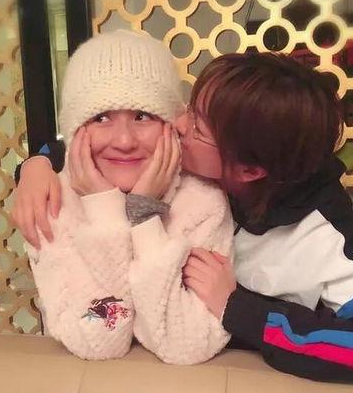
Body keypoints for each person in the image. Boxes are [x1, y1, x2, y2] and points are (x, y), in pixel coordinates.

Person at [13, 50, 353, 384]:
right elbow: (108, 139)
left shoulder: (324, 238)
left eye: (197, 127)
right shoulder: (216, 162)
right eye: (190, 109)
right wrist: (36, 164)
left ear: (250, 170)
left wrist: (238, 306)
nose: (177, 126)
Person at [13, 29, 234, 364]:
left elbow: (187, 344)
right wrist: (104, 212)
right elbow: (97, 341)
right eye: (101, 118)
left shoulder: (203, 203)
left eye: (142, 116)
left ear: (172, 124)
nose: (125, 141)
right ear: (75, 130)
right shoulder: (51, 203)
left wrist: (145, 218)